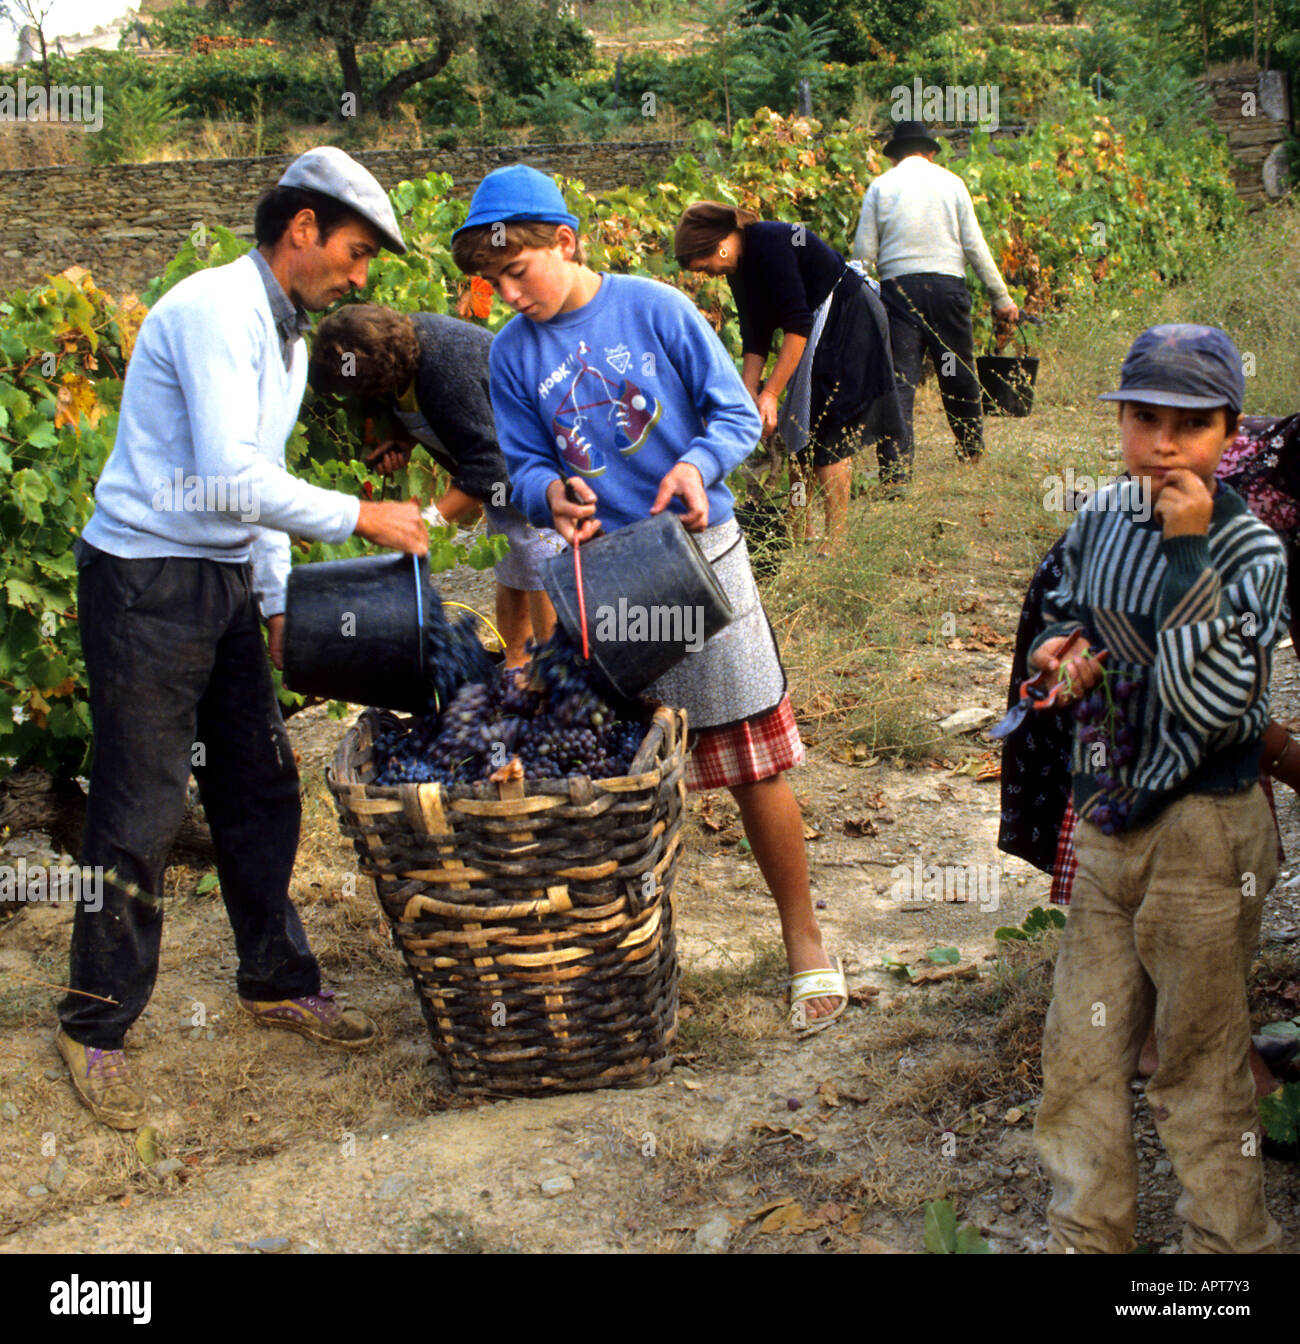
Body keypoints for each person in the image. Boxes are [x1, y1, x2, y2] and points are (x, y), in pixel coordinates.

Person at [59, 148, 429, 1131]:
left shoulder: (289, 335)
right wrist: (364, 513)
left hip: (220, 579)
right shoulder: (216, 311)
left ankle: (273, 976)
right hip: (145, 579)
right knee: (140, 805)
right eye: (355, 252)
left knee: (260, 784)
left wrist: (270, 600)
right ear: (301, 230)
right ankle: (94, 1024)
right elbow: (228, 477)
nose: (361, 276)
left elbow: (255, 479)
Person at [449, 164, 848, 1031]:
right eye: (494, 281)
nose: (510, 294)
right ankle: (637, 951)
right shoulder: (513, 354)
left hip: (700, 557)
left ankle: (804, 941)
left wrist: (694, 468)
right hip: (609, 582)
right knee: (625, 776)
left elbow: (736, 417)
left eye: (520, 272)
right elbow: (519, 470)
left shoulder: (656, 309)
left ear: (567, 241)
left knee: (752, 754)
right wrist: (547, 494)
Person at [1028, 324, 1287, 1253]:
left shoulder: (1251, 552)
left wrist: (1185, 551)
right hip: (1110, 823)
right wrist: (1060, 652)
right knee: (1080, 1053)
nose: (1164, 444)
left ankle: (1226, 1253)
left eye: (1191, 424)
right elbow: (1062, 603)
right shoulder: (1101, 518)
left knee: (1200, 1064)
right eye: (1145, 419)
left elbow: (1212, 702)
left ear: (1231, 432)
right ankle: (1085, 1233)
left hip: (1206, 838)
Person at [309, 303, 561, 666]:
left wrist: (429, 521)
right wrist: (403, 439)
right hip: (503, 473)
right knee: (512, 559)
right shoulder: (398, 352)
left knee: (541, 556)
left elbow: (489, 463)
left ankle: (554, 675)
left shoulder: (444, 367)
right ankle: (517, 670)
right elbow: (431, 414)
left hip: (537, 463)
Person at [673, 202, 903, 553]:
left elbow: (796, 323)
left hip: (848, 313)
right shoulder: (739, 267)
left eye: (706, 267)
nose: (710, 275)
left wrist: (771, 394)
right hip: (817, 325)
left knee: (829, 430)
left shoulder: (769, 243)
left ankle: (835, 541)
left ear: (720, 245)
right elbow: (756, 332)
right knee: (799, 426)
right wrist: (749, 390)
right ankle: (799, 528)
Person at [852, 119, 1019, 485]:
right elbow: (975, 245)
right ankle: (971, 451)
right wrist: (1001, 298)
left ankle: (896, 472)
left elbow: (864, 253)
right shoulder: (951, 183)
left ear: (894, 157)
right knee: (956, 370)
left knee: (900, 380)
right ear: (930, 152)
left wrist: (858, 300)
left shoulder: (881, 186)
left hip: (900, 291)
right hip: (948, 289)